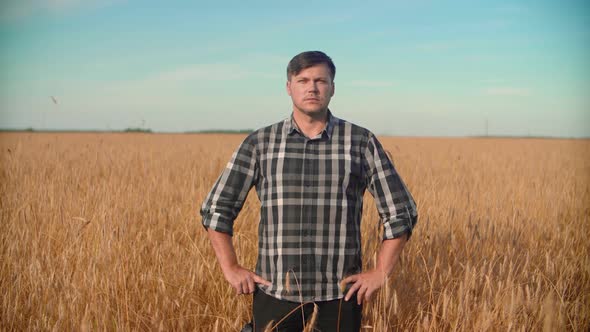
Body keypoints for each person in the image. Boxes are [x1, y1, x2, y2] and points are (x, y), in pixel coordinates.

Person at [200, 51, 417, 332]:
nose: (312, 88)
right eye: (302, 80)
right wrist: (230, 267)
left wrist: (380, 273)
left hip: (340, 295)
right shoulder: (260, 143)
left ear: (332, 88)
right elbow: (217, 208)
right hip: (275, 292)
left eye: (320, 81)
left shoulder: (360, 142)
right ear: (289, 87)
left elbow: (401, 211)